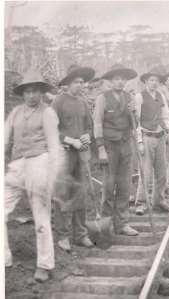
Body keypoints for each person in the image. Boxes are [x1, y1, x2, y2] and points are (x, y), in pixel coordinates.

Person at [4, 72, 61, 282]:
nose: (31, 95)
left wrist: (52, 176)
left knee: (41, 215)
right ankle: (4, 257)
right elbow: (4, 139)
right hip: (18, 164)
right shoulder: (16, 112)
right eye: (27, 91)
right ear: (23, 94)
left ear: (41, 92)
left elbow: (54, 146)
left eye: (35, 90)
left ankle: (44, 265)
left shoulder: (47, 113)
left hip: (39, 162)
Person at [52, 65, 96, 251]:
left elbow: (89, 126)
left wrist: (86, 136)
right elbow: (51, 129)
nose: (80, 85)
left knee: (80, 192)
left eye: (82, 82)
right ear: (68, 83)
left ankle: (80, 234)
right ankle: (62, 235)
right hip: (63, 154)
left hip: (80, 155)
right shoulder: (58, 102)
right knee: (62, 193)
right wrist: (70, 140)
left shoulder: (83, 102)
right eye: (76, 82)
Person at [93, 64, 139, 236]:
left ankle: (122, 224)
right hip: (109, 146)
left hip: (126, 145)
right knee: (108, 185)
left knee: (125, 185)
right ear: (111, 81)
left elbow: (136, 124)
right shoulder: (102, 98)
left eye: (123, 79)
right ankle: (106, 224)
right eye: (117, 79)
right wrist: (101, 148)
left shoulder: (129, 98)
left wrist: (134, 113)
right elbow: (97, 123)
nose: (120, 82)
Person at [134, 70, 169, 214]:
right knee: (145, 171)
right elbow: (136, 121)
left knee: (161, 172)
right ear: (145, 82)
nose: (154, 83)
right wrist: (139, 141)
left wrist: (168, 128)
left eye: (156, 80)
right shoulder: (139, 97)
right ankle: (141, 202)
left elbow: (166, 114)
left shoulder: (160, 96)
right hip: (146, 136)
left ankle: (159, 201)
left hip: (160, 136)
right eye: (151, 80)